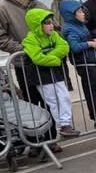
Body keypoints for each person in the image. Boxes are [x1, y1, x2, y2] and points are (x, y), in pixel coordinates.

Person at [0, 0, 60, 147]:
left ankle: (51, 140)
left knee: (50, 101)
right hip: (24, 64)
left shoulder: (39, 5)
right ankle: (35, 143)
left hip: (46, 62)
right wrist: (23, 49)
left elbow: (56, 27)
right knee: (31, 103)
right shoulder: (2, 8)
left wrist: (52, 43)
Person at [21, 9, 80, 138]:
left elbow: (64, 47)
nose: (51, 25)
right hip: (41, 75)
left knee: (64, 96)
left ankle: (66, 123)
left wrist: (49, 56)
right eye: (47, 23)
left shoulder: (54, 35)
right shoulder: (30, 40)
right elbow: (37, 57)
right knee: (52, 101)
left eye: (51, 22)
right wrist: (55, 59)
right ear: (38, 25)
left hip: (55, 72)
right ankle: (61, 125)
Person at [60, 0, 96, 137]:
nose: (83, 13)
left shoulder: (80, 25)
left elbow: (85, 38)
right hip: (85, 64)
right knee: (93, 93)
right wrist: (89, 44)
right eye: (79, 12)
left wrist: (94, 41)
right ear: (71, 14)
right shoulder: (69, 28)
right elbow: (74, 46)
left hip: (92, 61)